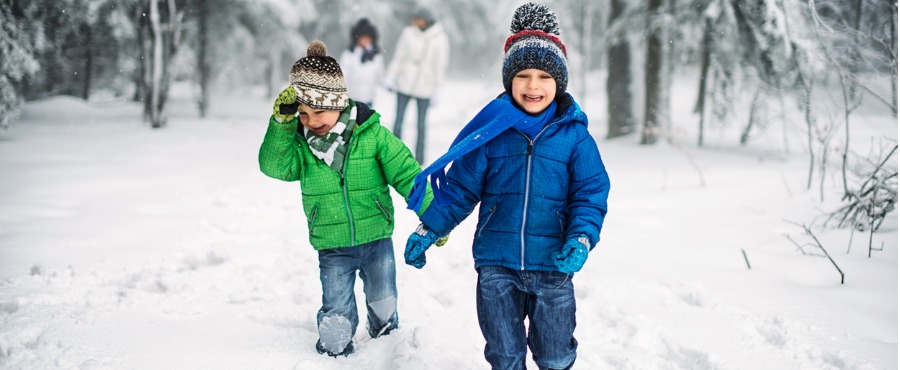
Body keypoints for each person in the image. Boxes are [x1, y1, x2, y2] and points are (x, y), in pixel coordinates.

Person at [401, 3, 610, 370]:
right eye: (523, 75)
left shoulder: (575, 137)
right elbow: (460, 189)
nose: (533, 86)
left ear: (558, 82)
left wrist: (582, 237)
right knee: (504, 355)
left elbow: (590, 194)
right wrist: (429, 226)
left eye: (544, 77)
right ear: (509, 80)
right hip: (496, 263)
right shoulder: (492, 132)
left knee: (556, 354)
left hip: (554, 265)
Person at [258, 40, 432, 357]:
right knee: (336, 306)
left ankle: (385, 341)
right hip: (332, 243)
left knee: (383, 298)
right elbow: (274, 166)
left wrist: (436, 216)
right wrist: (282, 124)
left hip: (376, 238)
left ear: (338, 102)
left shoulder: (372, 135)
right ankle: (335, 345)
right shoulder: (301, 146)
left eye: (319, 111)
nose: (310, 121)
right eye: (303, 114)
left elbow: (408, 174)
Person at [383, 7, 450, 164]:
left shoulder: (440, 38)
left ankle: (420, 159)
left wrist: (438, 87)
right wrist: (391, 75)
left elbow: (441, 64)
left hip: (425, 86)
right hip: (405, 82)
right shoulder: (408, 33)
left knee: (421, 125)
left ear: (426, 20)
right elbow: (399, 56)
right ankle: (394, 155)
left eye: (418, 19)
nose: (415, 22)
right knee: (398, 121)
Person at [340, 18, 385, 107]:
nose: (365, 41)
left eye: (367, 38)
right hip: (351, 98)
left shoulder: (376, 56)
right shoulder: (349, 54)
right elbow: (342, 74)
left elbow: (381, 75)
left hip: (368, 98)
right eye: (362, 38)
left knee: (366, 120)